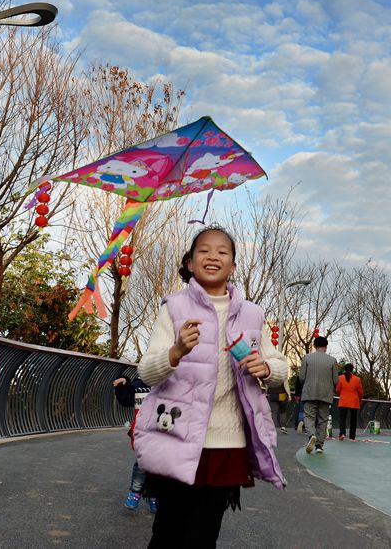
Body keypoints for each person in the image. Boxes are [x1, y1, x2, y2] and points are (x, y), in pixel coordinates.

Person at [134, 226, 288, 548]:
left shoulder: (253, 314)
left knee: (204, 536)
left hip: (226, 444)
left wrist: (267, 368)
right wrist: (175, 352)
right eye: (204, 250)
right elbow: (147, 372)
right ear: (190, 262)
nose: (213, 256)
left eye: (222, 251)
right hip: (176, 436)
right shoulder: (173, 308)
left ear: (233, 265)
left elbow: (279, 366)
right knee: (167, 533)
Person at [113, 375, 154, 512]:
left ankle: (153, 495)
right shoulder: (140, 385)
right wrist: (123, 383)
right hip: (141, 431)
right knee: (143, 462)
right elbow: (126, 399)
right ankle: (135, 493)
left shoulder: (172, 383)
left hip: (165, 432)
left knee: (159, 466)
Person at [298, 335, 338, 454]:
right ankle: (319, 445)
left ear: (314, 346)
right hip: (326, 394)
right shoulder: (332, 360)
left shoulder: (307, 358)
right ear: (326, 347)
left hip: (310, 392)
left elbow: (301, 377)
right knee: (323, 419)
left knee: (309, 416)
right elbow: (336, 380)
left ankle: (311, 435)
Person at [335, 363, 364, 441]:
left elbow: (337, 390)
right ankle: (352, 436)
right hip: (354, 402)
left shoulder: (340, 378)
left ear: (345, 369)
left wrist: (341, 393)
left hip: (343, 401)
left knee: (342, 419)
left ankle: (342, 433)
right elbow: (360, 392)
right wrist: (360, 399)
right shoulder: (357, 379)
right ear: (352, 370)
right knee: (353, 420)